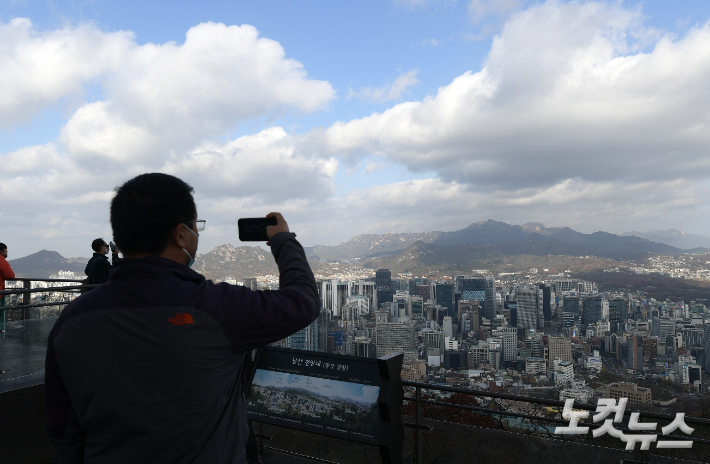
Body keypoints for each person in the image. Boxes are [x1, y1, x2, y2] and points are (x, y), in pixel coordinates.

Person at [45, 173, 320, 463]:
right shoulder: (217, 307)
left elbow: (63, 429)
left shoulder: (72, 319)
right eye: (195, 227)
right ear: (180, 234)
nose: (196, 235)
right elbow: (303, 301)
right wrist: (283, 240)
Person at [0, 243, 15, 332]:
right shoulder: (1, 261)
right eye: (6, 251)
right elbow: (10, 275)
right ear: (2, 251)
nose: (7, 252)